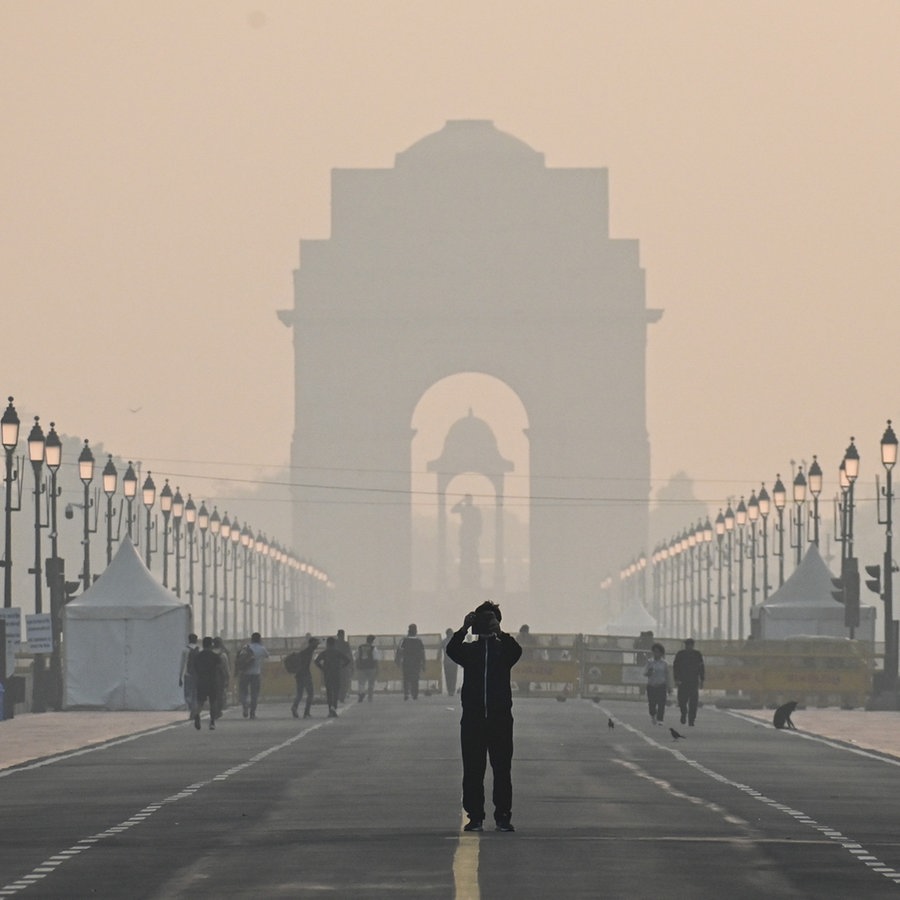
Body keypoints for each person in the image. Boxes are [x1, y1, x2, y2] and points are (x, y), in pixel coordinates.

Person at [446, 600, 522, 833]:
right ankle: (475, 817)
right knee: (473, 770)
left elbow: (516, 651)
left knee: (502, 770)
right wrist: (463, 629)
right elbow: (451, 650)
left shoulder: (503, 650)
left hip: (499, 720)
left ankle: (502, 816)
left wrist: (501, 633)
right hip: (473, 720)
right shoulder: (471, 651)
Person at [193, 636, 225, 730]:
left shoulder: (198, 656)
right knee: (213, 702)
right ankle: (212, 722)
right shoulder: (215, 656)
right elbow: (220, 668)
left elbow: (194, 668)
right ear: (211, 645)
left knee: (200, 702)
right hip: (212, 681)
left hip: (201, 681)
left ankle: (197, 715)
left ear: (203, 644)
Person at [314, 636, 351, 717]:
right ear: (334, 644)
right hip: (336, 673)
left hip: (327, 674)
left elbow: (316, 661)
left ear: (327, 644)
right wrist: (341, 666)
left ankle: (330, 709)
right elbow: (347, 660)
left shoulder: (324, 652)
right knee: (336, 691)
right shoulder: (337, 652)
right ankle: (334, 707)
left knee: (329, 692)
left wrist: (322, 668)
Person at [673, 638, 705, 726]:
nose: (689, 647)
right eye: (687, 645)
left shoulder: (697, 655)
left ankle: (691, 720)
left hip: (693, 681)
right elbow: (676, 667)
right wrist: (676, 679)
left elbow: (701, 668)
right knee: (682, 700)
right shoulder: (680, 654)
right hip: (682, 681)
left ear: (693, 645)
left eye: (690, 645)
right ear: (685, 645)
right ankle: (683, 713)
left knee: (693, 702)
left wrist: (702, 679)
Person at [238, 632, 270, 719]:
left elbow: (240, 658)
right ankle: (252, 713)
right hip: (256, 673)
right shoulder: (262, 648)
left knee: (243, 691)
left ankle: (245, 704)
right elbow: (267, 656)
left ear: (251, 639)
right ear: (259, 639)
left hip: (245, 673)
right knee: (254, 694)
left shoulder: (246, 647)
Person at [290, 636, 319, 718]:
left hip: (299, 675)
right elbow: (304, 664)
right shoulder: (308, 651)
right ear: (312, 643)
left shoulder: (305, 651)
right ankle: (306, 712)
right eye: (316, 644)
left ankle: (294, 707)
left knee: (299, 694)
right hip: (305, 674)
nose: (317, 646)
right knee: (310, 693)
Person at [396, 623, 426, 700]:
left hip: (406, 662)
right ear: (416, 631)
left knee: (406, 678)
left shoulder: (404, 640)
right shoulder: (419, 641)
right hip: (416, 663)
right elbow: (422, 653)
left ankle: (406, 694)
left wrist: (398, 661)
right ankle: (414, 694)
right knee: (415, 679)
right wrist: (424, 664)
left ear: (408, 630)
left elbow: (399, 652)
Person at [643, 642, 671, 726]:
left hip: (661, 685)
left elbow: (667, 675)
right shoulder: (649, 662)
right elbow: (645, 673)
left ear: (661, 653)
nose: (656, 654)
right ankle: (653, 715)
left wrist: (669, 687)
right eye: (654, 652)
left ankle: (660, 719)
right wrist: (649, 672)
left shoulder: (664, 663)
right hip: (651, 685)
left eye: (658, 652)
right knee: (652, 703)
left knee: (661, 703)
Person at [179, 633, 199, 719]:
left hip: (188, 675)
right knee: (195, 694)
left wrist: (180, 677)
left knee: (187, 694)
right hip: (198, 675)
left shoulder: (185, 650)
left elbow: (182, 664)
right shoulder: (199, 650)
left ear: (189, 640)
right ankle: (194, 709)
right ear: (196, 640)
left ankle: (192, 708)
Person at [211, 636, 231, 720]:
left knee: (212, 695)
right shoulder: (223, 654)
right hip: (220, 677)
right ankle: (218, 711)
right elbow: (226, 667)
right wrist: (228, 677)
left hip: (210, 676)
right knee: (220, 694)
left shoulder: (209, 653)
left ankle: (213, 710)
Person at [355, 634, 379, 702]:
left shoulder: (360, 647)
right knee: (371, 683)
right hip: (371, 667)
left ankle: (361, 693)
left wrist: (357, 666)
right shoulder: (373, 648)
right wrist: (377, 668)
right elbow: (375, 658)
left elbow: (356, 657)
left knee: (361, 683)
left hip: (361, 668)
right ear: (372, 641)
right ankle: (370, 697)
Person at [441, 627, 461, 696]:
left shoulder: (443, 641)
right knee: (453, 676)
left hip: (446, 662)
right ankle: (452, 690)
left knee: (448, 676)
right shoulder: (455, 641)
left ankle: (450, 690)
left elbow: (438, 652)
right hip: (454, 662)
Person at [335, 629, 354, 704]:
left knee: (337, 681)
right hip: (344, 665)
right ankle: (342, 696)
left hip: (335, 665)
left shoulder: (335, 643)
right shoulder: (346, 644)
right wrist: (352, 665)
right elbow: (349, 655)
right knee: (344, 682)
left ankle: (338, 696)